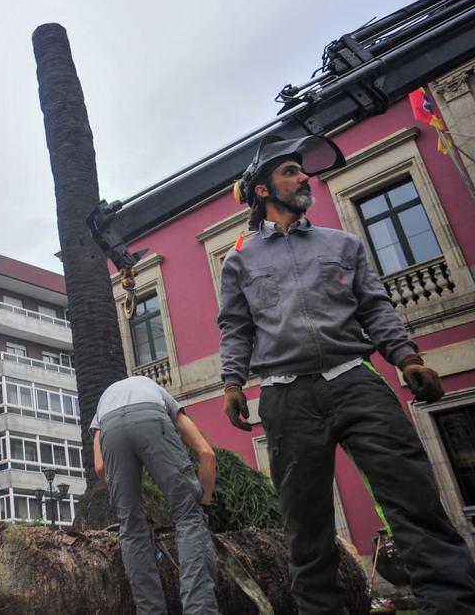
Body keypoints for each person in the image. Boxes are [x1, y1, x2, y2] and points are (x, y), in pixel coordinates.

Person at [218, 133, 475, 614]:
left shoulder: (344, 244)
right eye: (290, 172)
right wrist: (232, 382)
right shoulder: (239, 260)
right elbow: (236, 327)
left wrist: (407, 358)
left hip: (355, 381)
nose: (303, 177)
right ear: (262, 191)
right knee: (307, 529)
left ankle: (454, 605)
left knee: (414, 500)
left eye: (302, 169)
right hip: (285, 397)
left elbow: (376, 308)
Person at [92, 375, 218, 615]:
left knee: (131, 530)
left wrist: (128, 504)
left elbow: (100, 468)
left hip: (109, 428)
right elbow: (207, 453)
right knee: (189, 518)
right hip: (151, 416)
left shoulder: (102, 406)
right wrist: (204, 506)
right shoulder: (161, 395)